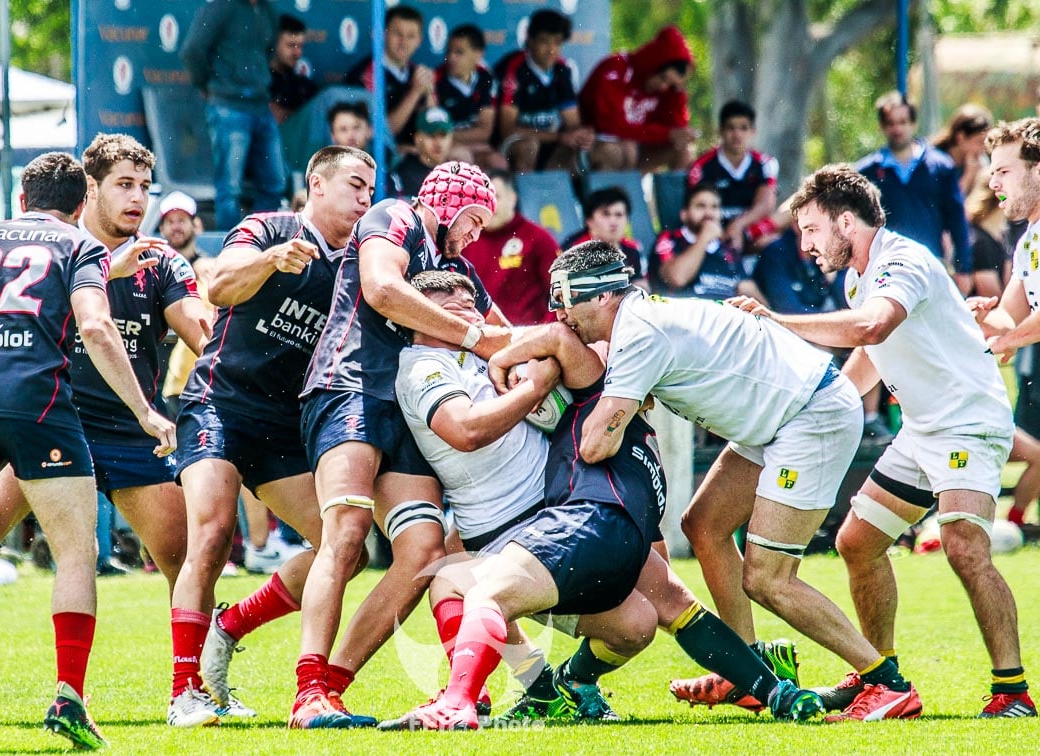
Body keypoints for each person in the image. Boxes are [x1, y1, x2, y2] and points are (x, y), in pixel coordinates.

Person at [378, 270, 824, 730]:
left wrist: (534, 363)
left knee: (637, 624)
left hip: (567, 511)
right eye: (452, 310)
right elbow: (468, 427)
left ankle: (769, 691)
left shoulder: (491, 361)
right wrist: (535, 381)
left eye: (472, 307)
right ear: (421, 317)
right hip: (514, 525)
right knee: (457, 583)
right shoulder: (423, 366)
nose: (468, 318)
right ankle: (493, 694)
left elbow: (557, 342)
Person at [537, 239, 920, 722]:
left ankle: (886, 683)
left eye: (564, 299)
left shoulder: (637, 334)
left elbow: (595, 446)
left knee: (767, 577)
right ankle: (749, 667)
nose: (559, 314)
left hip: (807, 415)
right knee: (704, 525)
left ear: (600, 295)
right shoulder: (640, 320)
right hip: (783, 414)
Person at [0, 133, 211, 726]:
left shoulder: (160, 260)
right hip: (53, 416)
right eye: (123, 186)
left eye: (144, 188)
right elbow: (92, 323)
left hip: (128, 432)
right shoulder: (69, 249)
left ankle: (189, 689)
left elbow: (198, 328)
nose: (137, 200)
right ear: (88, 192)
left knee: (185, 554)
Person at [732, 164, 1031, 719]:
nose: (806, 245)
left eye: (813, 230)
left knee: (965, 547)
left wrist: (776, 321)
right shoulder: (856, 276)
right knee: (856, 542)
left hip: (967, 422)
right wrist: (831, 405)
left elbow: (871, 328)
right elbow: (870, 354)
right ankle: (881, 676)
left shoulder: (903, 261)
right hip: (922, 430)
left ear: (848, 222)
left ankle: (1012, 692)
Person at [292, 161, 510, 728]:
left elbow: (504, 339)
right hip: (352, 386)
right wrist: (468, 335)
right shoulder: (397, 216)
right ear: (450, 203)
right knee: (345, 532)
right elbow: (382, 287)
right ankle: (308, 689)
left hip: (409, 406)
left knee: (423, 554)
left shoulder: (457, 269)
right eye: (474, 219)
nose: (476, 235)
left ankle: (333, 685)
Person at [171, 146, 377, 727]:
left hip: (285, 423)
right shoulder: (269, 227)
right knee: (211, 537)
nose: (364, 199)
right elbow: (218, 288)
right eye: (354, 185)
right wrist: (271, 260)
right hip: (219, 403)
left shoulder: (362, 261)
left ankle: (231, 625)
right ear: (316, 183)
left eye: (371, 190)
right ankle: (184, 690)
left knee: (346, 547)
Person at [971, 119, 1040, 536]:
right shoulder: (1029, 240)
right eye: (991, 170)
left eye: (1004, 171)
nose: (993, 181)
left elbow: (1015, 333)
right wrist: (977, 316)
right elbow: (1007, 318)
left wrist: (1008, 340)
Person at [181, 0, 286, 231]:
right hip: (228, 105)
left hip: (260, 103)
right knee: (230, 188)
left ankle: (260, 240)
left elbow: (268, 50)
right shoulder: (220, 7)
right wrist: (208, 84)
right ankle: (231, 247)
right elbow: (192, 50)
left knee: (274, 182)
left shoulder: (267, 9)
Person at [856, 92, 971, 290]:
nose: (897, 129)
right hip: (886, 267)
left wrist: (964, 268)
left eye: (902, 121)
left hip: (931, 263)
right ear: (883, 127)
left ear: (913, 123)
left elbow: (957, 220)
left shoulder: (940, 166)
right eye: (891, 123)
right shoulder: (868, 171)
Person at [578, 25, 695, 172]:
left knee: (683, 149)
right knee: (623, 150)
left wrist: (677, 93)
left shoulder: (665, 91)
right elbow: (611, 126)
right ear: (652, 64)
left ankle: (676, 194)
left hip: (634, 149)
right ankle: (610, 195)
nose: (663, 87)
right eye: (663, 78)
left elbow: (676, 126)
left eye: (670, 84)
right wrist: (667, 133)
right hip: (592, 146)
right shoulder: (616, 69)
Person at [494, 9, 593, 173]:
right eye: (544, 41)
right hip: (511, 145)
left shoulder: (562, 70)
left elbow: (573, 123)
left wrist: (581, 136)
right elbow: (508, 130)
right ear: (530, 40)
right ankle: (523, 198)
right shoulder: (513, 68)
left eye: (557, 42)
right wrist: (560, 137)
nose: (551, 49)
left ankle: (552, 195)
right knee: (529, 146)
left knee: (581, 148)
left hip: (548, 142)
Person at [461, 170, 560, 325]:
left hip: (528, 337)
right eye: (482, 199)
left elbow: (560, 292)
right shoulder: (464, 240)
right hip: (476, 336)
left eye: (496, 197)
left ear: (513, 198)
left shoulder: (538, 238)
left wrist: (545, 332)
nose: (489, 205)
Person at [687, 101, 780, 254]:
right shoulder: (701, 167)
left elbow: (766, 205)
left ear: (753, 131)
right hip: (714, 231)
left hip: (750, 230)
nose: (737, 134)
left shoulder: (765, 164)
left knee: (794, 208)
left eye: (743, 128)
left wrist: (738, 225)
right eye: (731, 128)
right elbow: (695, 209)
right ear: (721, 131)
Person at [648, 183, 760, 301]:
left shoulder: (728, 249)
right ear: (684, 214)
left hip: (727, 314)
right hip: (686, 313)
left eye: (714, 207)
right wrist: (704, 238)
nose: (708, 213)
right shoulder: (669, 239)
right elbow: (677, 279)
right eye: (700, 206)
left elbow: (746, 287)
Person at [344, 5, 433, 148]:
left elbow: (434, 128)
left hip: (415, 152)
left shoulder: (417, 73)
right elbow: (377, 134)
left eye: (410, 36)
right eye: (397, 34)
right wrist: (415, 93)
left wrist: (429, 95)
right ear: (383, 34)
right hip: (380, 158)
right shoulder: (365, 74)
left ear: (419, 41)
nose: (403, 42)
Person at [435, 24, 503, 170]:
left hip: (474, 146)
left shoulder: (486, 79)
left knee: (498, 162)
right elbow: (435, 133)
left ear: (478, 54)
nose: (451, 57)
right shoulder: (435, 79)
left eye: (459, 52)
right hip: (447, 149)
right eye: (449, 51)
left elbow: (484, 132)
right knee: (462, 156)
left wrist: (450, 135)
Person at [562, 187, 644, 280]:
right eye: (606, 214)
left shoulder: (632, 250)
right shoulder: (573, 250)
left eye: (619, 215)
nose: (613, 222)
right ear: (589, 221)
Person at [390, 107, 455, 198]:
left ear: (451, 138)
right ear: (418, 139)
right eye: (431, 136)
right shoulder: (405, 172)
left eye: (443, 135)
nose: (438, 143)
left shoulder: (458, 172)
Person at [932, 103, 994, 198]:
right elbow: (945, 204)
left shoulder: (980, 161)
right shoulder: (935, 162)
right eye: (980, 142)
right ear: (960, 138)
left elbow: (992, 198)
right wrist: (969, 176)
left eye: (987, 142)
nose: (985, 148)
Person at [268, 14, 317, 125]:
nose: (298, 53)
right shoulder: (258, 81)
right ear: (273, 43)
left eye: (300, 46)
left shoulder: (304, 85)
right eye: (291, 45)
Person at [159, 191, 205, 271]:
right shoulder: (155, 268)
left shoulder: (208, 268)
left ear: (196, 225)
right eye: (170, 222)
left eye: (181, 221)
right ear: (161, 229)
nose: (176, 227)